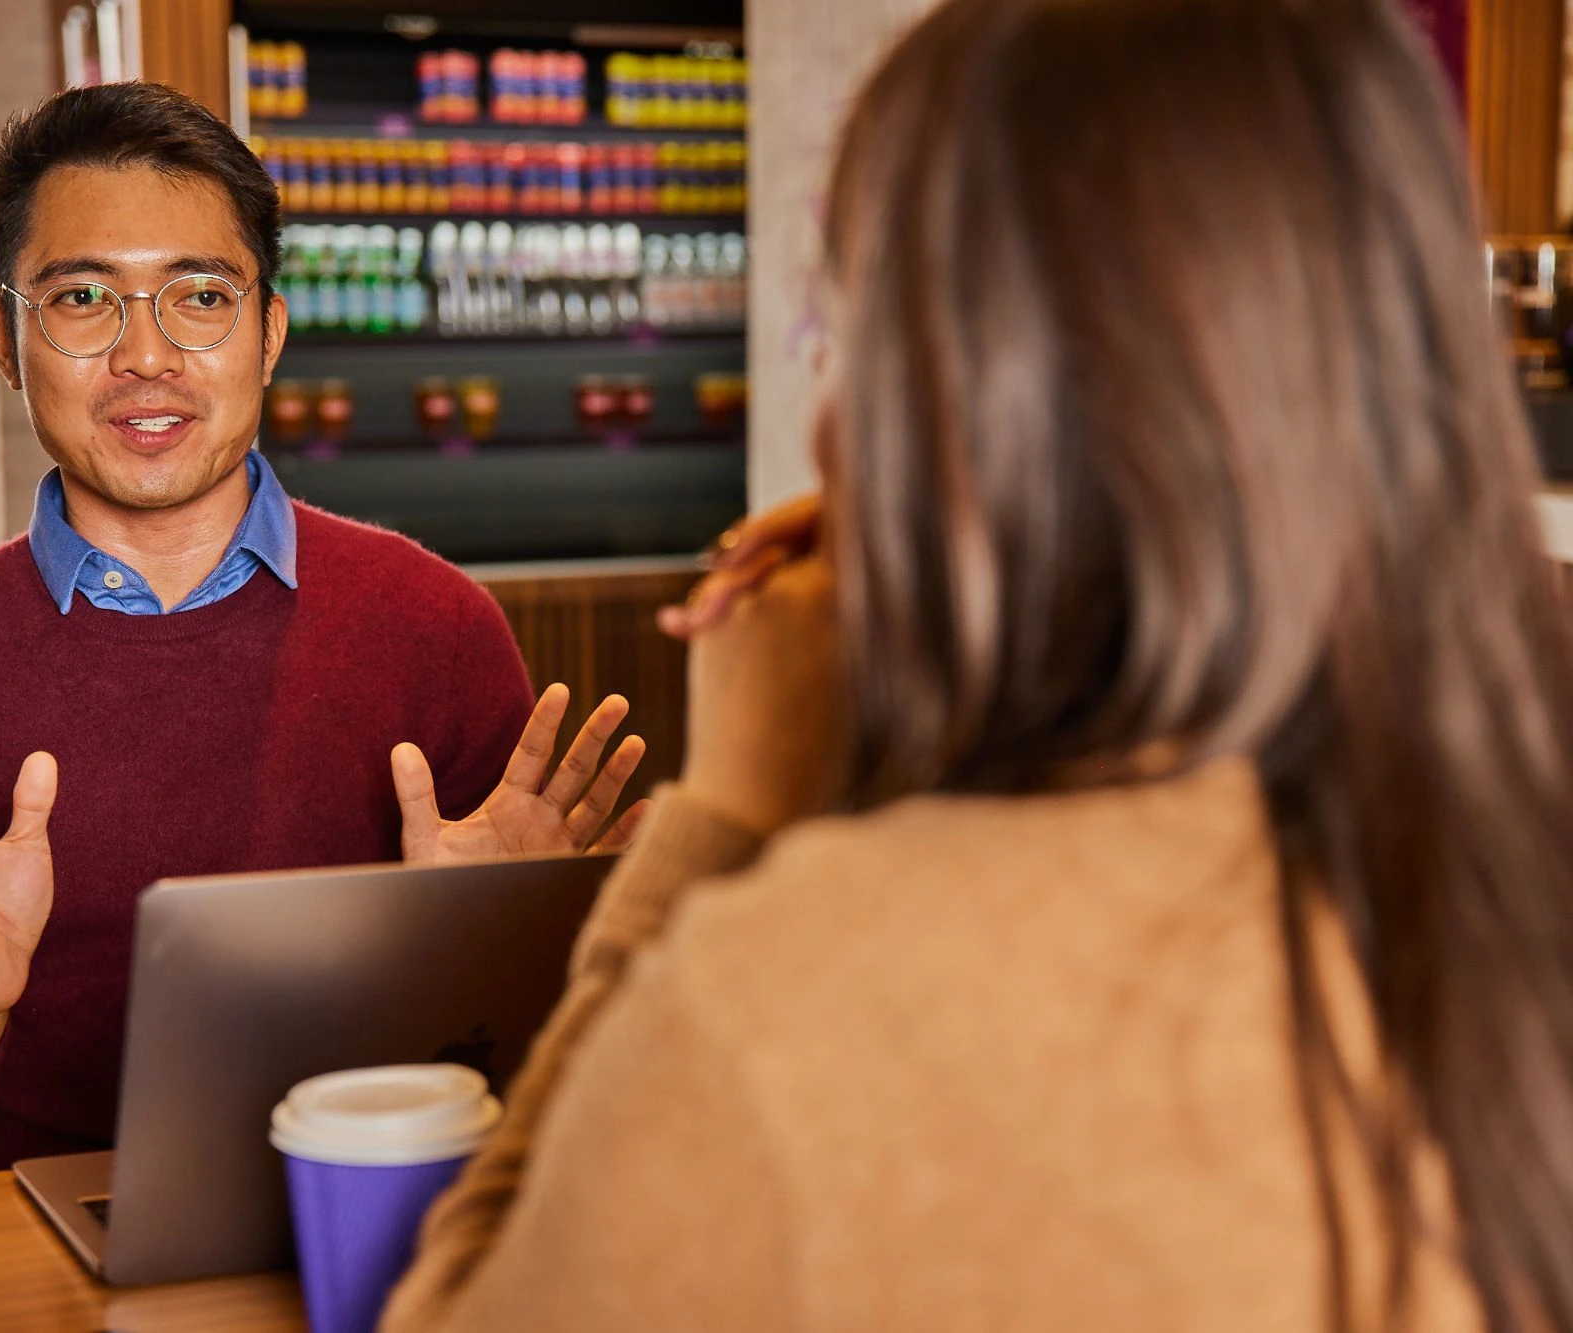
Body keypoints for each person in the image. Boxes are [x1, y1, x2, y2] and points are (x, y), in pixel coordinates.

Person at [379, 0, 1573, 1327]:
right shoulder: (1513, 872)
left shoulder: (801, 998)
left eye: (856, 338)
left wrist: (728, 811)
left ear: (950, 412)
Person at [0, 83, 647, 1192]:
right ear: (5, 339)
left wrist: (508, 957)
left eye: (200, 296)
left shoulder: (434, 628)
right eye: (84, 297)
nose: (147, 354)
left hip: (360, 1231)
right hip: (17, 1274)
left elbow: (545, 1119)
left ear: (269, 332)